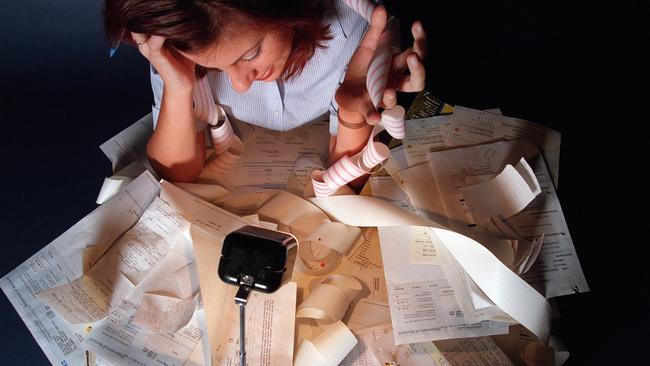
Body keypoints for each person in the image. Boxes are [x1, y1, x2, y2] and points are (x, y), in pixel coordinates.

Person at [104, 0, 427, 182]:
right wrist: (177, 88)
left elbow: (348, 180)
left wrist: (352, 111)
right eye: (217, 67)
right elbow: (176, 174)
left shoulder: (359, 29)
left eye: (249, 54)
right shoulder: (185, 47)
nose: (240, 84)